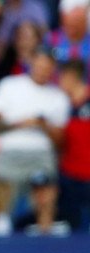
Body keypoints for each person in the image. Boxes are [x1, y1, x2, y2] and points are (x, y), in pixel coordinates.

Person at [0, 48, 71, 235]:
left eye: (48, 67)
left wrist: (44, 125)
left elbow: (60, 141)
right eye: (40, 64)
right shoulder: (10, 85)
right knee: (2, 201)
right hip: (10, 151)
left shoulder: (58, 97)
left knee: (46, 197)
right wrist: (21, 123)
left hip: (40, 154)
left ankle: (45, 237)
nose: (43, 70)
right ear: (32, 62)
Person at [57, 59, 90, 231]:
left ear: (71, 77)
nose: (59, 82)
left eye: (61, 77)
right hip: (69, 176)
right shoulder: (62, 105)